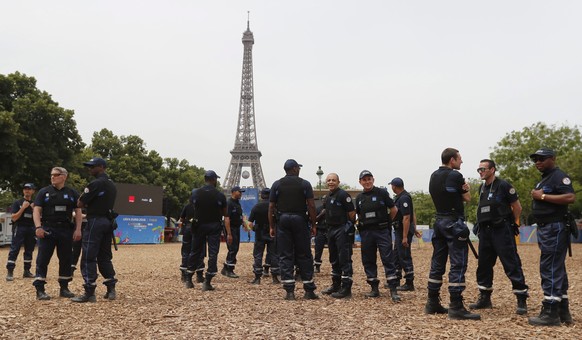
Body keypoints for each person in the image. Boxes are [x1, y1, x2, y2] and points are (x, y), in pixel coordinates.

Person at [425, 148, 480, 320]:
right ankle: (456, 305)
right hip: (453, 223)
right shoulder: (456, 176)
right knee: (458, 263)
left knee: (438, 261)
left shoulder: (433, 175)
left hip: (439, 221)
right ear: (452, 160)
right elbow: (468, 198)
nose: (461, 162)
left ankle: (432, 302)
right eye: (460, 159)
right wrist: (465, 188)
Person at [469, 159, 529, 315]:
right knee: (484, 265)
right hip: (485, 232)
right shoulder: (482, 188)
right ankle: (485, 298)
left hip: (502, 230)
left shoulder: (504, 186)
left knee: (511, 264)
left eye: (483, 169)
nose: (480, 171)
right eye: (479, 169)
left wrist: (512, 223)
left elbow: (517, 207)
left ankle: (521, 299)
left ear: (492, 170)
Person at [527, 148, 576, 326]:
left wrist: (544, 196)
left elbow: (570, 197)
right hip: (547, 228)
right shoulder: (545, 178)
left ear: (552, 159)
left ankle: (550, 311)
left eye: (541, 158)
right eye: (535, 159)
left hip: (554, 227)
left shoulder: (558, 176)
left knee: (550, 267)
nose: (537, 162)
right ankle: (563, 310)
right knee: (556, 266)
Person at [269, 159, 318, 300]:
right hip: (299, 219)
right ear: (295, 168)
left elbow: (271, 207)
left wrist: (272, 226)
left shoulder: (277, 184)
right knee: (304, 254)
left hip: (283, 220)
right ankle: (309, 289)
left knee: (285, 255)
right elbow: (311, 206)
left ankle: (289, 290)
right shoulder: (304, 184)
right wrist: (314, 224)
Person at [72, 157, 118, 303]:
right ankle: (111, 289)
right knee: (104, 256)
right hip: (107, 222)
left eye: (93, 166)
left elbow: (80, 203)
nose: (90, 169)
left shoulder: (95, 184)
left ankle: (89, 291)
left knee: (88, 256)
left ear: (102, 167)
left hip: (95, 222)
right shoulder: (112, 185)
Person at [32, 167, 82, 300]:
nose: (52, 177)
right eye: (51, 175)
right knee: (43, 259)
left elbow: (78, 212)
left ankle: (64, 288)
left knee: (66, 259)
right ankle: (40, 289)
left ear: (64, 176)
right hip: (48, 229)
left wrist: (78, 229)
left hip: (66, 230)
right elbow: (36, 211)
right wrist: (38, 227)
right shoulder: (44, 192)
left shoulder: (72, 193)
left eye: (56, 175)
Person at [355, 170, 401, 301]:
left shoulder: (382, 193)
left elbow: (394, 210)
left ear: (373, 180)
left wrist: (387, 223)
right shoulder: (359, 198)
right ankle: (374, 288)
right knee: (368, 260)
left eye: (369, 179)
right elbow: (356, 215)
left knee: (388, 258)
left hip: (381, 231)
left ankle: (393, 289)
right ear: (360, 182)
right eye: (364, 180)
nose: (367, 182)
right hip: (366, 233)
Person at [184, 170, 231, 291]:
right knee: (213, 253)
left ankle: (189, 278)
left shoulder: (196, 193)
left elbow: (194, 208)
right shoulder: (220, 195)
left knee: (195, 251)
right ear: (214, 179)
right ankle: (208, 280)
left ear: (205, 179)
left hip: (199, 225)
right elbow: (225, 213)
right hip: (214, 225)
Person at [320, 173, 356, 299]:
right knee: (333, 257)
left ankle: (346, 288)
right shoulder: (327, 196)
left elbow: (352, 213)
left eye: (333, 180)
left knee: (344, 258)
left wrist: (348, 227)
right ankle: (336, 284)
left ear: (338, 182)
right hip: (331, 229)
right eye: (328, 180)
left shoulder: (343, 195)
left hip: (341, 229)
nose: (331, 182)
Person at [390, 177, 421, 292]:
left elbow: (407, 217)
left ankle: (409, 282)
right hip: (401, 230)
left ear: (394, 186)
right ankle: (396, 279)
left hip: (403, 231)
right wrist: (415, 228)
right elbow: (412, 213)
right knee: (396, 256)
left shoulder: (404, 198)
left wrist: (404, 236)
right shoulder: (401, 197)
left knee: (404, 256)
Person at [248, 187, 280, 284]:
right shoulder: (274, 207)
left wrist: (254, 229)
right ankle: (275, 277)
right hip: (272, 232)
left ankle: (257, 277)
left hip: (260, 233)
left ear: (261, 195)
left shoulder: (256, 207)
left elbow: (249, 223)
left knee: (258, 255)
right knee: (273, 255)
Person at [6, 183, 37, 281]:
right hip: (19, 228)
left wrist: (33, 209)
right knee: (14, 249)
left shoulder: (35, 204)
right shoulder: (17, 202)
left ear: (33, 191)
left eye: (29, 189)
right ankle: (10, 271)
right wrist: (23, 208)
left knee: (29, 250)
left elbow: (39, 218)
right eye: (25, 189)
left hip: (31, 229)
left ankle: (27, 271)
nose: (27, 190)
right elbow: (14, 218)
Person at [178, 200, 206, 287]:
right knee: (199, 251)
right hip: (199, 229)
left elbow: (181, 219)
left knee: (186, 251)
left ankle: (184, 274)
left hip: (187, 228)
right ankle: (199, 275)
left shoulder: (187, 206)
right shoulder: (203, 206)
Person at [222, 186, 245, 279]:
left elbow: (239, 215)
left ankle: (225, 268)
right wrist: (229, 234)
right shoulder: (229, 203)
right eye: (239, 192)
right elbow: (227, 219)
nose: (241, 193)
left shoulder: (237, 203)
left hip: (236, 227)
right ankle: (229, 269)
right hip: (230, 228)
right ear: (233, 192)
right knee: (233, 248)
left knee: (235, 248)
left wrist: (243, 222)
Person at [312, 202, 327, 274]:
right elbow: (314, 220)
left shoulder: (332, 208)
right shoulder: (318, 209)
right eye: (323, 200)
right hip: (320, 230)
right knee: (318, 249)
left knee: (335, 249)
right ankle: (317, 266)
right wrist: (322, 214)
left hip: (330, 230)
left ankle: (336, 267)